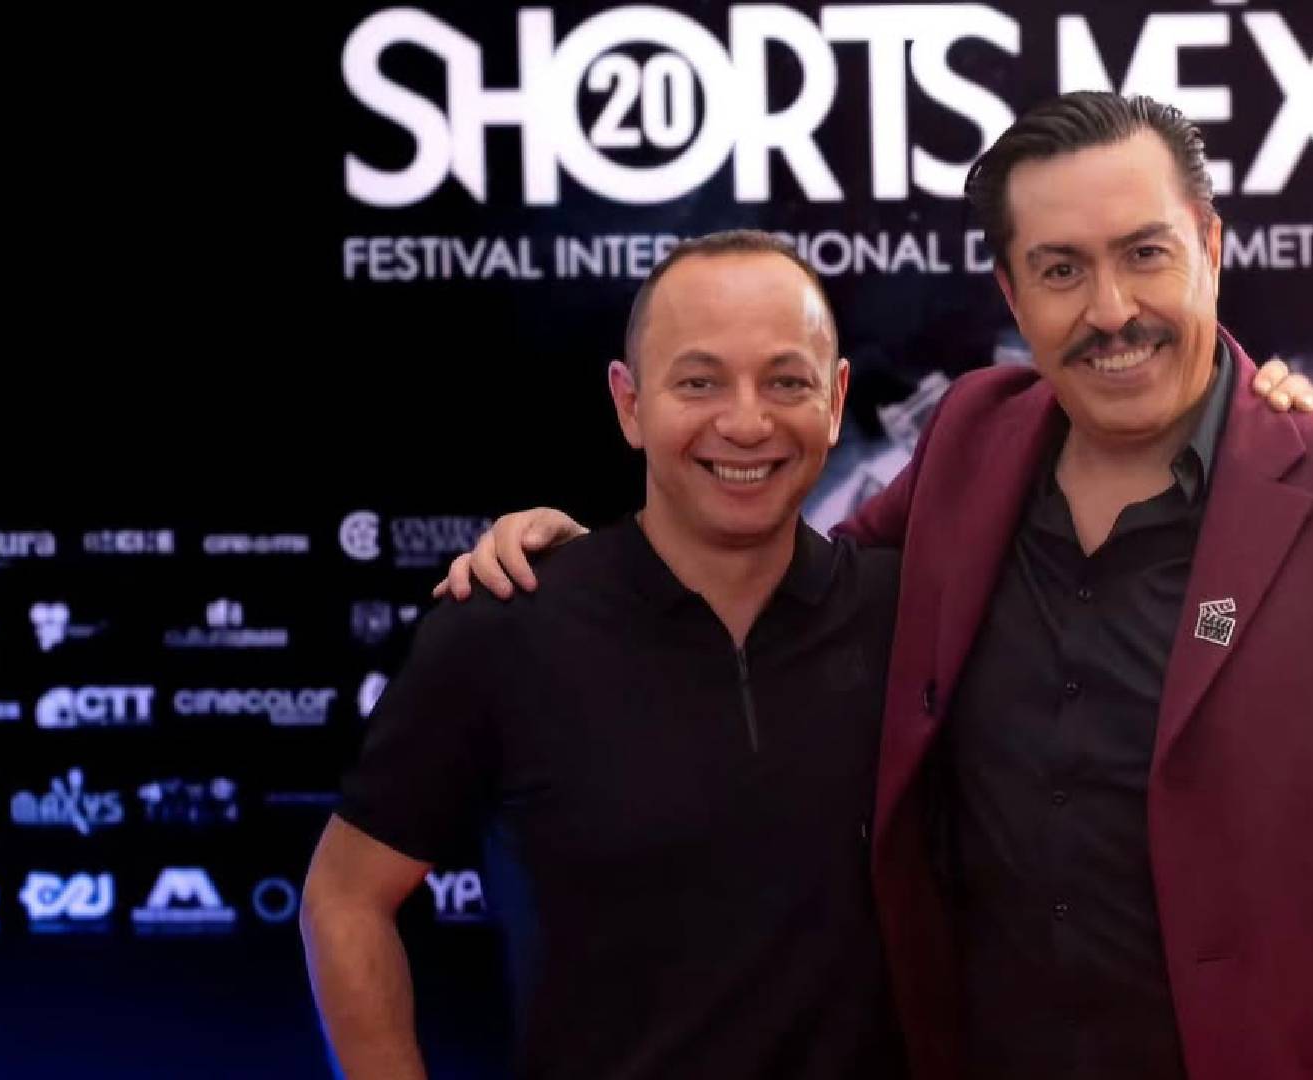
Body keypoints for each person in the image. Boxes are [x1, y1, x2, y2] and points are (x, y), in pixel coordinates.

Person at [451, 92, 1313, 1080]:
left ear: (1210, 249)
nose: (1111, 309)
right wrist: (597, 563)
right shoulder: (972, 439)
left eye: (1146, 254)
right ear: (1013, 294)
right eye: (1062, 270)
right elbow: (784, 590)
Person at [301, 230, 906, 1079]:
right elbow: (345, 897)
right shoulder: (506, 626)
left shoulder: (913, 618)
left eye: (786, 381)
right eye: (699, 382)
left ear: (836, 400)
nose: (745, 422)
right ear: (630, 403)